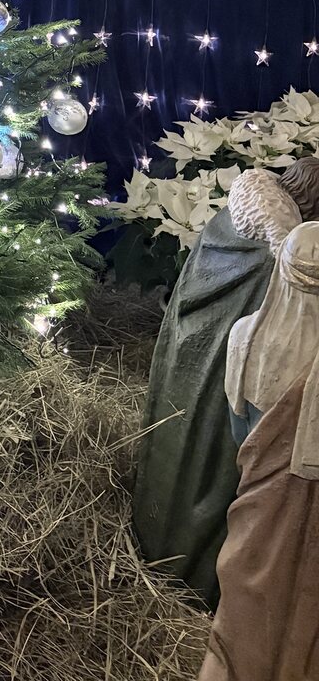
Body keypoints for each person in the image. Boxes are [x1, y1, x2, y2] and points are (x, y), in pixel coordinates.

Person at [131, 159, 319, 607]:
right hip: (240, 391)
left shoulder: (230, 220)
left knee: (184, 455)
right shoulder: (280, 259)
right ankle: (208, 578)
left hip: (199, 369)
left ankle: (165, 541)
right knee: (219, 473)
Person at [198, 222, 319, 680]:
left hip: (256, 498)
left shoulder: (244, 335)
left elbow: (239, 430)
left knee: (247, 592)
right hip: (308, 508)